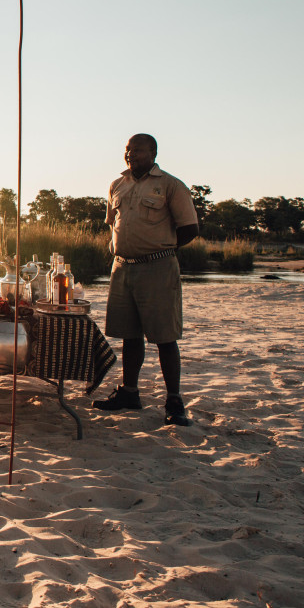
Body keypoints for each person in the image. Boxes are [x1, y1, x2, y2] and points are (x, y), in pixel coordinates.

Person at [93, 134, 199, 426]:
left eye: (138, 150)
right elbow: (113, 224)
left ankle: (174, 400)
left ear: (153, 153)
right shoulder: (117, 185)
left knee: (165, 336)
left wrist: (162, 247)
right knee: (129, 334)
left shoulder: (170, 185)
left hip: (158, 267)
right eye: (127, 149)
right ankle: (129, 392)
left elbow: (189, 228)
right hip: (122, 267)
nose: (130, 154)